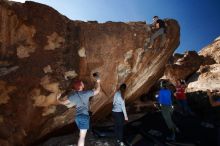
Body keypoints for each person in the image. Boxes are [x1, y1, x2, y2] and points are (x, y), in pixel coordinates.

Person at [57, 74, 101, 146]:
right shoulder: (86, 93)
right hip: (84, 117)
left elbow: (63, 102)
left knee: (81, 134)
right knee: (82, 137)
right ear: (80, 86)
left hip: (78, 117)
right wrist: (98, 82)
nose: (83, 84)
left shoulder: (73, 96)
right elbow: (97, 91)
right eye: (82, 83)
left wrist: (57, 99)